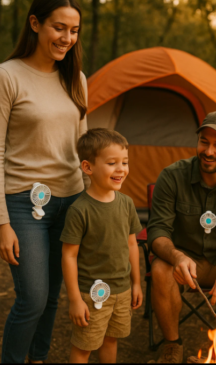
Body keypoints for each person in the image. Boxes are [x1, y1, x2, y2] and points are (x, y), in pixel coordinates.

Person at [0, 0, 89, 363]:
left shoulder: (77, 79)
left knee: (53, 295)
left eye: (74, 30)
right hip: (24, 204)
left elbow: (84, 149)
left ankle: (38, 359)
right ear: (35, 24)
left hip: (72, 201)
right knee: (33, 298)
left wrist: (95, 202)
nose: (67, 38)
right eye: (59, 27)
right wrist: (2, 222)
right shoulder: (7, 76)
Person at [147, 111, 216, 363]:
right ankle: (172, 346)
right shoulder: (172, 176)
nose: (208, 151)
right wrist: (177, 257)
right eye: (204, 142)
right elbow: (157, 232)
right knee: (160, 268)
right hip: (184, 259)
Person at [60, 129, 143, 363]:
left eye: (124, 162)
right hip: (91, 294)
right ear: (88, 167)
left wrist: (136, 283)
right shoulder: (79, 210)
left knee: (110, 340)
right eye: (112, 163)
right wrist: (75, 299)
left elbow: (132, 244)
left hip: (122, 291)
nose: (121, 169)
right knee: (84, 347)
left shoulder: (127, 204)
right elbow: (69, 256)